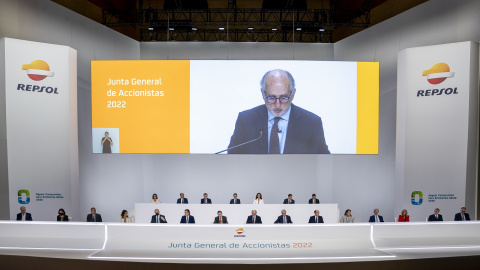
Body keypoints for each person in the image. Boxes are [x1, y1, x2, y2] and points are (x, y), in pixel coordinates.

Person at [227, 69, 329, 154]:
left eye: (284, 98)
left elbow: (323, 162)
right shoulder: (246, 120)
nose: (277, 105)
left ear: (293, 94)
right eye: (271, 98)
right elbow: (232, 159)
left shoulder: (311, 124)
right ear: (263, 94)